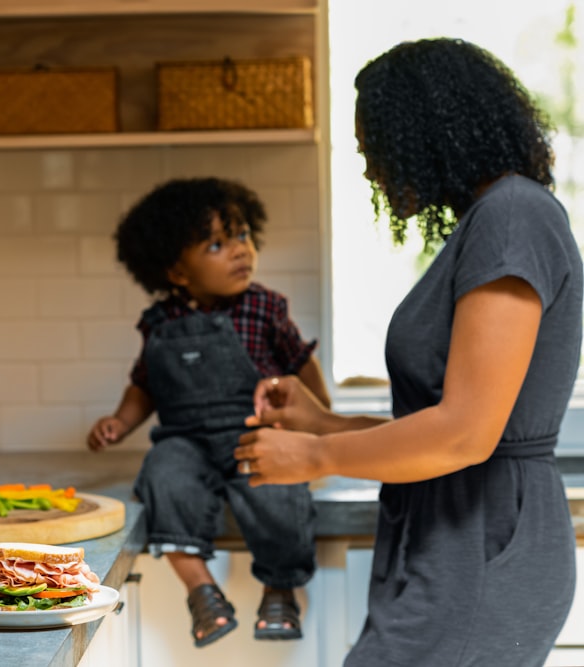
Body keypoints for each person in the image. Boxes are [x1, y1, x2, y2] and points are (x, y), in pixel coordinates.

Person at [235, 38, 583, 667]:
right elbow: (452, 425)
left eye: (377, 151)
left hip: (485, 544)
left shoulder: (512, 218)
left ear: (428, 132)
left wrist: (316, 454)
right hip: (452, 539)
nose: (373, 171)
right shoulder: (490, 219)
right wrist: (325, 423)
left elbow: (467, 436)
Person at [87, 177, 330, 647]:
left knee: (280, 492)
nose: (240, 250)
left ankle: (280, 591)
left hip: (254, 433)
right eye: (217, 244)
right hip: (186, 441)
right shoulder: (159, 322)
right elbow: (144, 385)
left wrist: (322, 419)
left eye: (241, 235)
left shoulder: (264, 307)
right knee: (162, 478)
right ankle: (202, 593)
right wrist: (120, 421)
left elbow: (300, 365)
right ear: (177, 271)